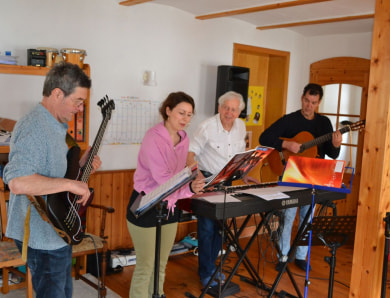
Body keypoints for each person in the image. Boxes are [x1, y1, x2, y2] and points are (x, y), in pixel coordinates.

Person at [3, 62, 102, 297]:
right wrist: (71, 184)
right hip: (41, 237)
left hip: (56, 231)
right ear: (57, 93)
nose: (80, 108)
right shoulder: (34, 126)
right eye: (77, 101)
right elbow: (17, 181)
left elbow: (55, 172)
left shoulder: (56, 125)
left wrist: (79, 167)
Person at [126, 91, 204, 298]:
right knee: (146, 265)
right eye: (181, 113)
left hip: (170, 205)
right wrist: (189, 189)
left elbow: (182, 172)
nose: (185, 119)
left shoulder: (184, 139)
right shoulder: (153, 137)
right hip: (146, 204)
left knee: (161, 263)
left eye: (189, 115)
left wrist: (196, 177)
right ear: (168, 111)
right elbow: (164, 180)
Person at [259, 83, 342, 272]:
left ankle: (301, 257)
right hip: (292, 174)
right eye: (306, 100)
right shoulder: (289, 120)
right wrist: (287, 144)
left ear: (318, 103)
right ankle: (283, 255)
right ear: (302, 98)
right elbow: (264, 137)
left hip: (314, 174)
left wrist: (336, 145)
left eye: (313, 102)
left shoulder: (324, 123)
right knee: (288, 216)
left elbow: (332, 154)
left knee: (307, 217)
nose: (309, 105)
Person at [187, 91, 257, 288]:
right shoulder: (206, 127)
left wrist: (243, 174)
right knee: (207, 229)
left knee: (220, 230)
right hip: (207, 180)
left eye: (234, 109)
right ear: (219, 108)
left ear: (239, 112)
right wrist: (197, 175)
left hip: (227, 181)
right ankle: (206, 273)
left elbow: (238, 155)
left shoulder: (241, 127)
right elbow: (190, 153)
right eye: (226, 108)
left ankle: (212, 268)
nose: (229, 112)